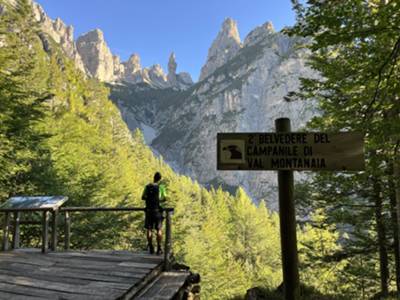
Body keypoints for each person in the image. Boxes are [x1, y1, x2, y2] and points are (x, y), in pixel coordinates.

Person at [141, 172, 167, 255]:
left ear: (154, 178)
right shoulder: (161, 187)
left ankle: (151, 246)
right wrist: (158, 201)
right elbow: (165, 198)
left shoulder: (147, 186)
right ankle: (159, 247)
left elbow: (142, 197)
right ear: (160, 179)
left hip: (149, 211)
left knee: (149, 229)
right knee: (159, 230)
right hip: (157, 212)